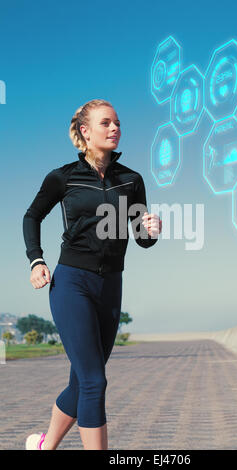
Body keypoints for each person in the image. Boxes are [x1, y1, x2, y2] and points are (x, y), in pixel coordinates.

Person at [22, 99, 162, 450]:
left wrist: (151, 229)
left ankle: (44, 446)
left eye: (117, 122)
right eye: (105, 123)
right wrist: (36, 260)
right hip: (71, 282)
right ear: (85, 131)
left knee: (81, 383)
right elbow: (32, 216)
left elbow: (141, 239)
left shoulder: (131, 180)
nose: (115, 128)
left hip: (111, 286)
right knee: (95, 382)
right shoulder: (63, 177)